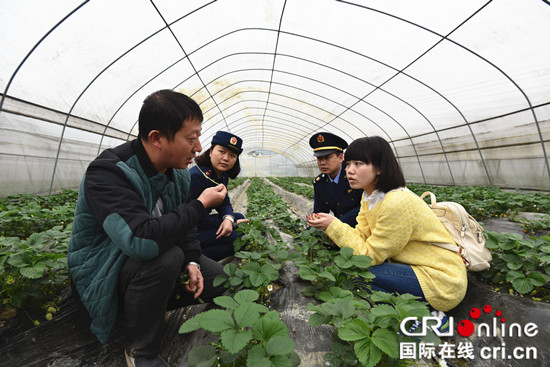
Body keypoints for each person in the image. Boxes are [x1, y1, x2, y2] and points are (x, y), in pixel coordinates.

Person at [67, 90, 228, 367]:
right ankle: (141, 351)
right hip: (104, 270)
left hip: (146, 263)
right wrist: (201, 205)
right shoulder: (108, 172)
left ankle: (146, 305)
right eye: (191, 139)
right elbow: (141, 242)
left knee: (219, 279)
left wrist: (192, 260)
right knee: (166, 258)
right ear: (156, 138)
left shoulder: (177, 173)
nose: (199, 147)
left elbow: (185, 225)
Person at [306, 136, 467, 321]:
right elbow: (361, 235)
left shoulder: (396, 202)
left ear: (380, 168)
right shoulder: (370, 197)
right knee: (353, 273)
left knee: (359, 275)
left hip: (440, 280)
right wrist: (333, 225)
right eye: (349, 164)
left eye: (358, 164)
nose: (349, 170)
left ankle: (430, 319)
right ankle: (407, 313)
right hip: (414, 268)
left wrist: (333, 225)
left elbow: (369, 257)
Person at [188, 131, 249, 261]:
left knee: (238, 217)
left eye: (232, 155)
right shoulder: (197, 177)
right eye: (222, 151)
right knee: (237, 238)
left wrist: (229, 219)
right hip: (190, 229)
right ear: (210, 151)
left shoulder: (221, 175)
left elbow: (224, 202)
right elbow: (194, 218)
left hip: (201, 222)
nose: (226, 158)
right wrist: (233, 224)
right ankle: (193, 256)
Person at [309, 132, 362, 227]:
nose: (322, 163)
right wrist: (311, 230)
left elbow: (366, 206)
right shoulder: (319, 183)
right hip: (340, 231)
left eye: (327, 157)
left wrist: (335, 225)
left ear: (340, 157)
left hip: (363, 227)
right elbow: (320, 211)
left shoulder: (355, 174)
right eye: (319, 158)